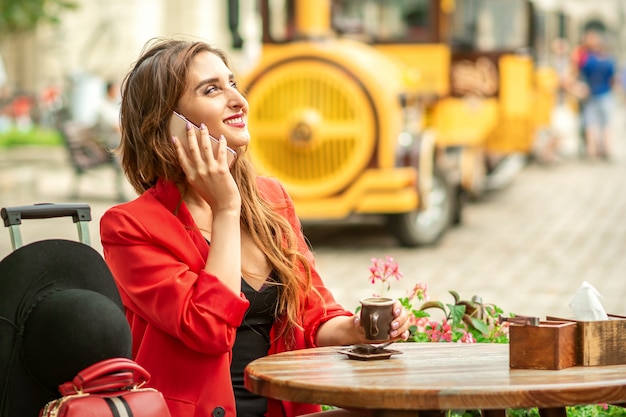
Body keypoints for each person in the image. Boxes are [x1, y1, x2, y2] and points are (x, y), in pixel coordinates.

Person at [99, 37, 411, 417]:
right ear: (168, 125)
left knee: (406, 410)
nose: (238, 100)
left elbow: (313, 312)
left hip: (285, 410)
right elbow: (208, 329)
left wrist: (356, 329)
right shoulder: (130, 228)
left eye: (233, 83)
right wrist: (227, 209)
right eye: (212, 90)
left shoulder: (270, 197)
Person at [571, 29, 616, 159]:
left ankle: (592, 150)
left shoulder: (586, 59)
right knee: (605, 124)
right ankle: (606, 150)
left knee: (591, 124)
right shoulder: (609, 60)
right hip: (605, 94)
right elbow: (612, 79)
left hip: (590, 95)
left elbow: (578, 74)